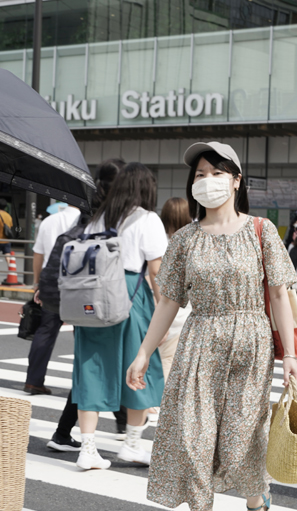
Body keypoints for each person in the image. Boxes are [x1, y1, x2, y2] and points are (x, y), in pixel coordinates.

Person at [127, 142, 297, 511]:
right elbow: (168, 300)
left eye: (217, 173)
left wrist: (290, 354)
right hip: (200, 342)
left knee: (242, 438)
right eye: (200, 175)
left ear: (237, 181)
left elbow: (278, 296)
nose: (207, 181)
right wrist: (144, 351)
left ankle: (257, 500)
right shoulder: (185, 239)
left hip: (251, 345)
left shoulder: (261, 232)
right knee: (194, 440)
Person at [72, 162, 168, 471]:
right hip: (130, 294)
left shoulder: (97, 218)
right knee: (141, 366)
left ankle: (87, 448)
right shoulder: (147, 219)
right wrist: (163, 313)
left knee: (92, 366)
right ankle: (132, 444)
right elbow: (156, 272)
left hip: (92, 296)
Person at [46, 159, 131, 451]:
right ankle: (117, 426)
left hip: (83, 299)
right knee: (99, 366)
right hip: (106, 299)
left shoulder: (89, 213)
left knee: (91, 366)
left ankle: (72, 430)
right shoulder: (117, 217)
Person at [24, 201, 81, 396]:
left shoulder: (49, 221)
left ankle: (33, 381)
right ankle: (82, 384)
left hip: (52, 284)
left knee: (45, 331)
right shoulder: (85, 222)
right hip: (77, 286)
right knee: (82, 334)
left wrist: (37, 283)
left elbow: (38, 255)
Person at [157, 197, 193, 385]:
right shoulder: (191, 243)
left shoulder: (160, 242)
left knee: (163, 358)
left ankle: (156, 400)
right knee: (175, 360)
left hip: (163, 307)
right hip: (185, 311)